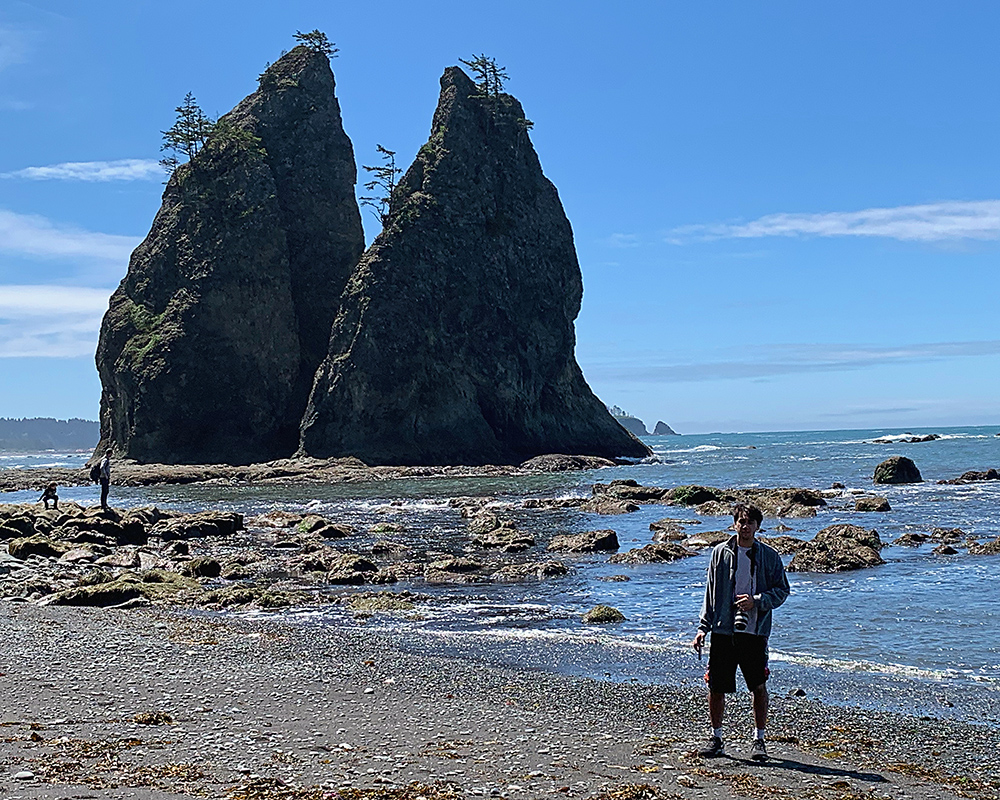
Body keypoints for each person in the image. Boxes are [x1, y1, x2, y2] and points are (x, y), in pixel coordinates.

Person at [691, 502, 789, 762]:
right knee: (716, 686)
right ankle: (717, 738)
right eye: (741, 522)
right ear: (734, 523)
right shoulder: (720, 553)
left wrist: (756, 601)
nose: (745, 527)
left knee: (758, 685)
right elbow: (710, 593)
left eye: (750, 522)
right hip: (723, 630)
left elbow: (782, 591)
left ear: (758, 526)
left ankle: (759, 740)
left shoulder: (769, 556)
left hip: (755, 631)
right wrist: (703, 628)